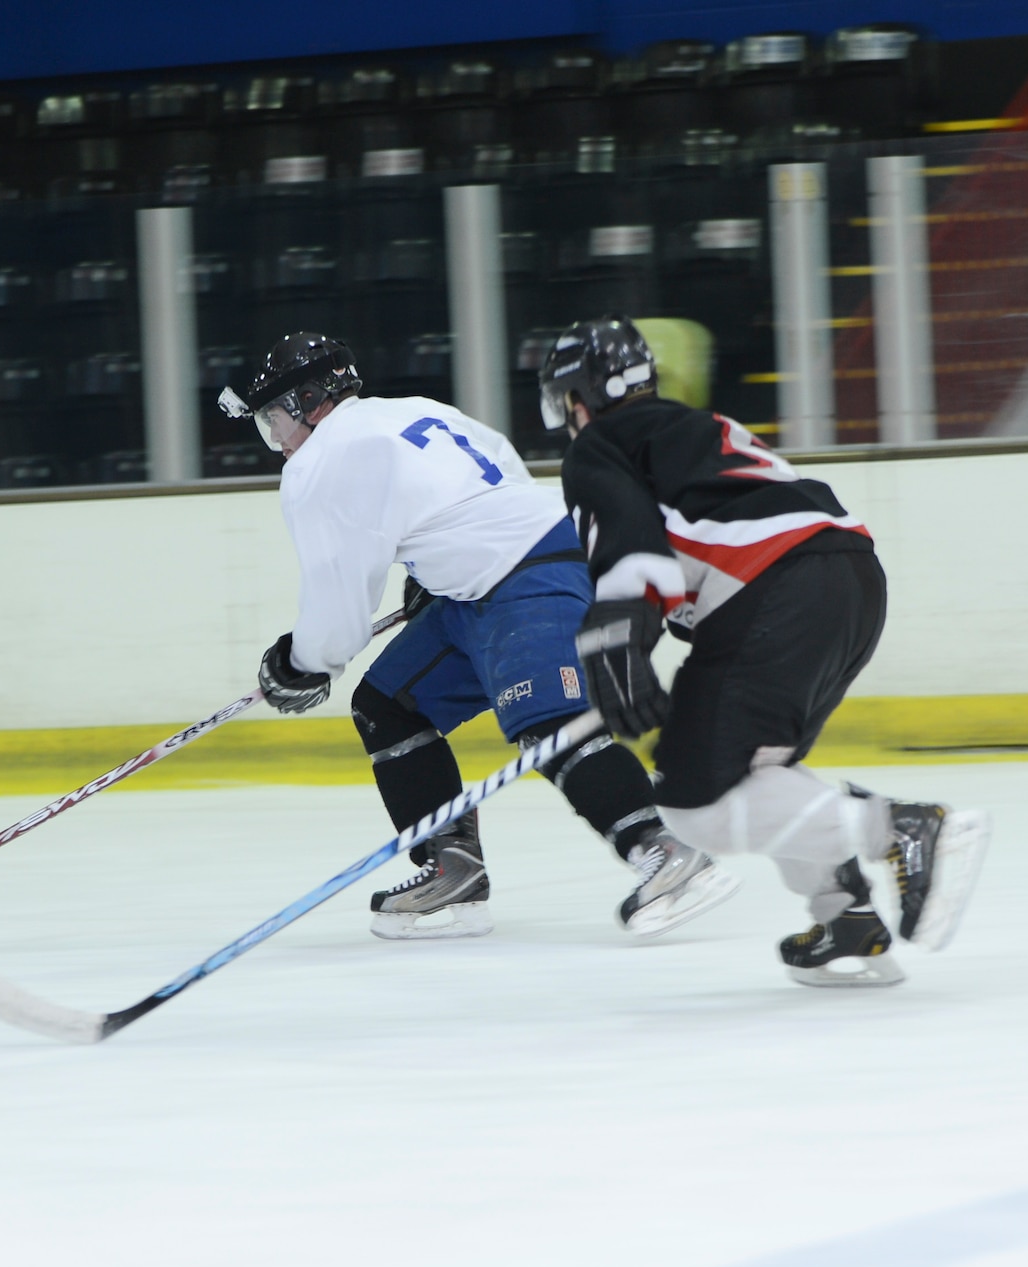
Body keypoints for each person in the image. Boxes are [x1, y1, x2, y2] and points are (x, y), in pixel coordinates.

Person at [220, 331, 738, 941]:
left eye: (276, 419)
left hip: (526, 576)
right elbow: (500, 479)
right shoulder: (415, 409)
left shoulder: (320, 459)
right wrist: (440, 566)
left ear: (312, 400)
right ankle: (452, 866)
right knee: (387, 705)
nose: (277, 439)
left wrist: (303, 664)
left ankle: (662, 849)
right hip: (493, 579)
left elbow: (340, 597)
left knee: (546, 718)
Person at [540, 315, 990, 985]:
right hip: (848, 578)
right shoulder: (686, 429)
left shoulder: (601, 442)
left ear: (577, 398)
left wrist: (617, 632)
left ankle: (899, 829)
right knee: (752, 775)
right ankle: (847, 919)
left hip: (778, 587)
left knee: (695, 803)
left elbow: (631, 540)